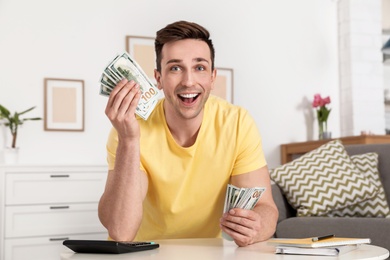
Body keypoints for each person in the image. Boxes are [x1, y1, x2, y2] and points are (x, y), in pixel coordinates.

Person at [98, 20, 278, 247]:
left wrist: (257, 225)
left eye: (199, 67)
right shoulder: (129, 128)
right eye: (175, 68)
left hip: (207, 253)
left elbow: (266, 208)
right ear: (159, 78)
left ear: (212, 77)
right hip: (145, 253)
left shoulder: (237, 123)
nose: (189, 81)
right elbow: (122, 231)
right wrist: (129, 140)